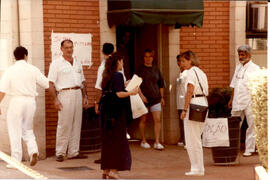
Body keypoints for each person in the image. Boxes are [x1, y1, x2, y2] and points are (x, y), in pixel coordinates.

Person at [0, 46, 49, 167]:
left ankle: (16, 160)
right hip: (30, 101)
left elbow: (2, 90)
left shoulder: (10, 70)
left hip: (16, 101)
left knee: (14, 130)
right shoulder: (33, 69)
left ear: (14, 57)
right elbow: (47, 83)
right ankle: (33, 150)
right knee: (27, 129)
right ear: (26, 56)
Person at [48, 39, 88, 162]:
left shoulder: (77, 62)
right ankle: (60, 152)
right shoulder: (56, 64)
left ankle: (73, 152)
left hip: (77, 93)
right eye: (66, 48)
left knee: (77, 124)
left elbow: (82, 81)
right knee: (64, 124)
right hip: (65, 94)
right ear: (61, 49)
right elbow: (50, 83)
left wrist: (85, 96)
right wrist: (55, 100)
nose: (69, 50)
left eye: (71, 47)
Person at [100, 52, 138, 179]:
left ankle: (106, 169)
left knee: (108, 141)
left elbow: (112, 91)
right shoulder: (118, 75)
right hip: (116, 113)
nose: (123, 64)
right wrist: (131, 92)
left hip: (106, 112)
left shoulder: (107, 75)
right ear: (118, 62)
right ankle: (114, 170)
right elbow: (118, 94)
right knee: (118, 141)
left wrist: (124, 86)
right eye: (122, 61)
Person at [94, 43, 127, 164]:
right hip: (118, 103)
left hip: (107, 102)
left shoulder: (103, 67)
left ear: (102, 52)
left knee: (106, 132)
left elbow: (99, 87)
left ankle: (106, 158)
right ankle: (111, 159)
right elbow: (122, 85)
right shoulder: (119, 68)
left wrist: (96, 103)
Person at [228, 45, 260, 157]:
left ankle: (249, 149)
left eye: (243, 55)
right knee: (233, 124)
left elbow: (257, 85)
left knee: (251, 125)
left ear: (249, 55)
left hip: (250, 100)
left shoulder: (255, 68)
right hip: (237, 100)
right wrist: (231, 99)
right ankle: (231, 148)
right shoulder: (238, 67)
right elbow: (234, 85)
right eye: (239, 54)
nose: (240, 57)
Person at [180, 50, 208, 176]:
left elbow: (189, 91)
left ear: (190, 60)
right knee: (197, 137)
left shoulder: (190, 73)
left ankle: (196, 168)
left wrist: (184, 109)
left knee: (192, 139)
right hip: (203, 102)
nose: (182, 64)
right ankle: (199, 167)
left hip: (194, 103)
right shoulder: (201, 72)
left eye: (184, 61)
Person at [137, 49, 165, 150]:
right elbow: (136, 85)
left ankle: (157, 142)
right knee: (143, 119)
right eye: (146, 56)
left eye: (150, 56)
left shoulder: (156, 69)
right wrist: (141, 96)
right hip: (143, 99)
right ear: (143, 58)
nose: (148, 59)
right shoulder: (140, 70)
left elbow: (161, 84)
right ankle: (143, 140)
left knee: (157, 120)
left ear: (153, 58)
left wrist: (162, 97)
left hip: (156, 98)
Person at [176, 54, 186, 147]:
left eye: (182, 61)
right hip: (179, 102)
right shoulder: (180, 73)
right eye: (178, 61)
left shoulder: (186, 73)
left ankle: (185, 140)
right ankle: (182, 138)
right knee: (181, 122)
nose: (180, 63)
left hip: (185, 102)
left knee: (185, 122)